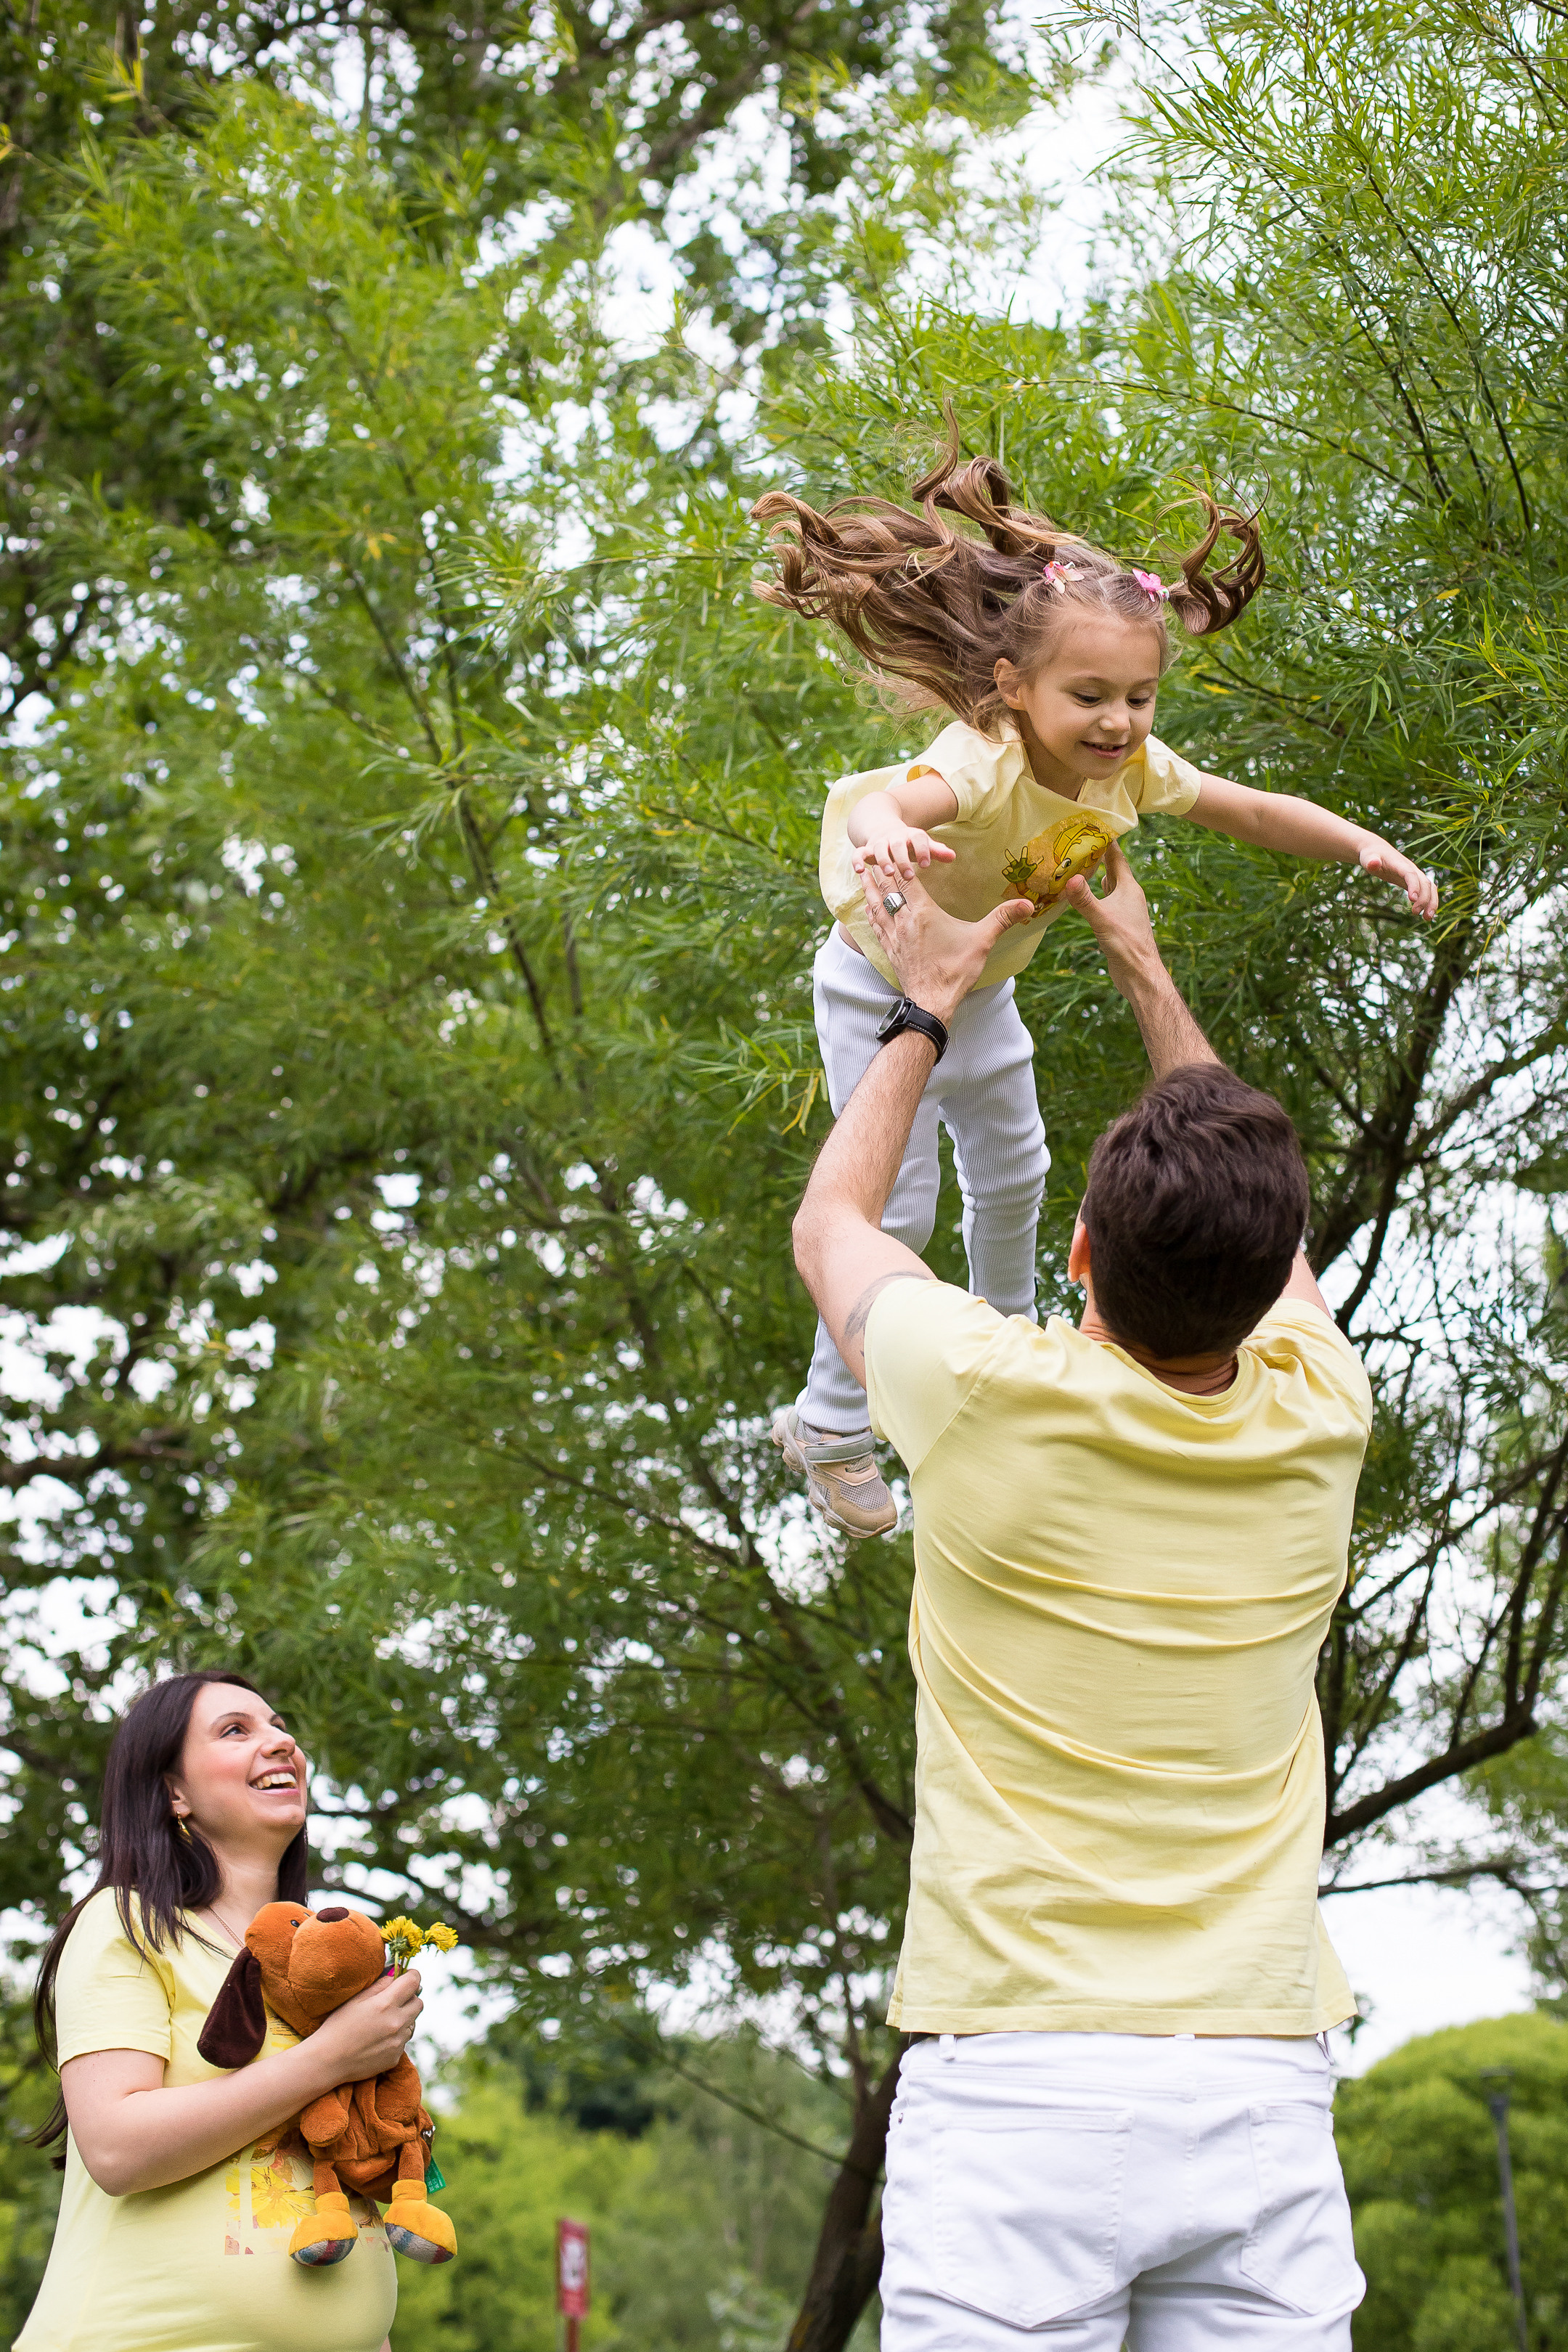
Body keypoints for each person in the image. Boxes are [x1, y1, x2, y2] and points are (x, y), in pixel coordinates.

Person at [791, 849, 1373, 2348]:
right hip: (1258, 2075)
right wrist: (1148, 971)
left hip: (1020, 2084)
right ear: (1270, 1286)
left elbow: (835, 1225)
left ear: (1078, 1254)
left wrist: (924, 1009)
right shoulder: (1320, 1412)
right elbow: (1268, 1224)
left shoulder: (981, 1387)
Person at [756, 425, 1432, 1538]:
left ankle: (1008, 1335)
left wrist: (1361, 841)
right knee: (905, 1200)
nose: (1119, 723)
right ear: (1015, 686)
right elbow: (890, 800)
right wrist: (884, 843)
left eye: (1140, 698)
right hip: (883, 987)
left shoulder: (1136, 769)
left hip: (985, 993)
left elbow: (1248, 807)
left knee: (1017, 1169)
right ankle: (829, 1424)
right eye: (1090, 698)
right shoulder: (983, 760)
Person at [17, 1670, 420, 2352]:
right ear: (175, 1793)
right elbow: (116, 2147)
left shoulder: (321, 1976)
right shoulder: (127, 1922)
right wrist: (329, 2060)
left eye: (280, 1726)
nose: (280, 1743)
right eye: (236, 1731)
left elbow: (344, 2185)